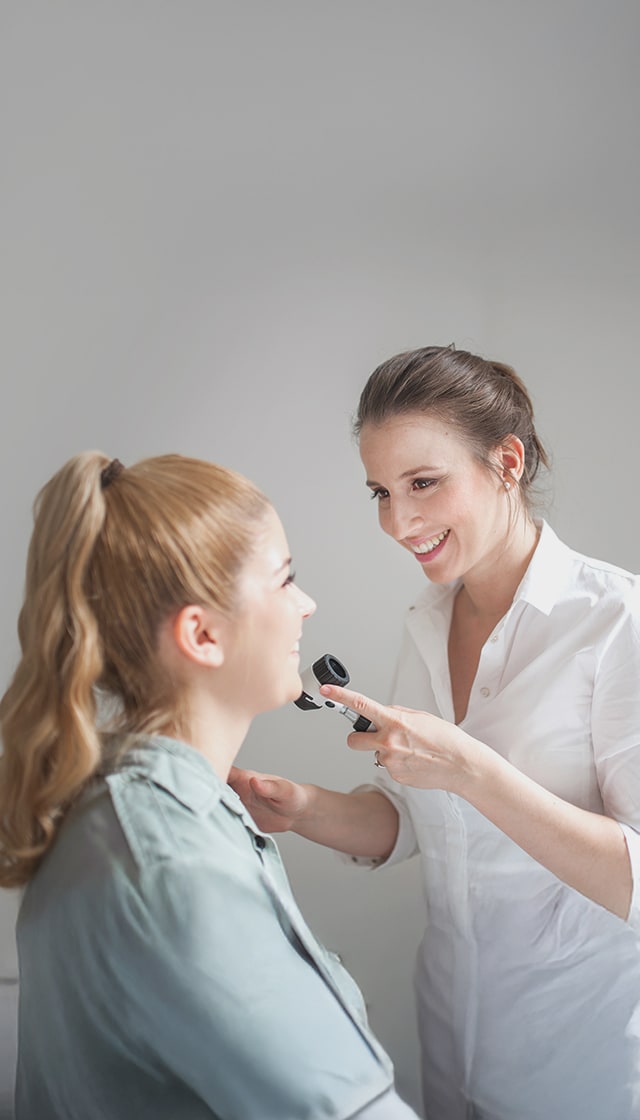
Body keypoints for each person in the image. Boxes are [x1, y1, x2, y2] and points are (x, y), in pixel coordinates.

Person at [229, 345, 640, 1120]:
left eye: (424, 483)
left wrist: (471, 769)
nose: (399, 520)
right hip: (451, 1041)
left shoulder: (616, 624)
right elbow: (415, 815)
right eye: (381, 491)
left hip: (582, 1065)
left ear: (507, 463)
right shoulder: (427, 620)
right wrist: (303, 807)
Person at [0, 451, 421, 1120]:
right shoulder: (168, 860)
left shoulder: (135, 810)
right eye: (286, 580)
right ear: (201, 633)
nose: (306, 605)